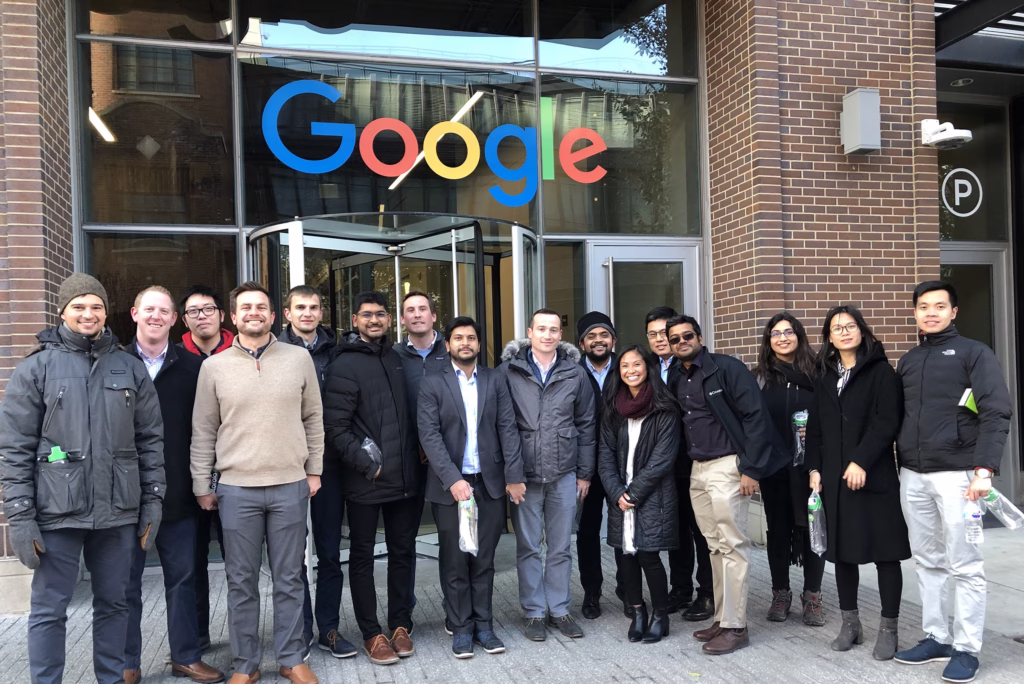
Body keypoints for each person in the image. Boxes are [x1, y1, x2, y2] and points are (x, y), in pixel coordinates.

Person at [0, 273, 164, 684]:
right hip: (57, 512)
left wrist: (153, 502)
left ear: (106, 312)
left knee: (114, 604)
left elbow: (150, 441)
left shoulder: (129, 367)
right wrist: (20, 517)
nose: (88, 313)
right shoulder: (36, 368)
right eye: (79, 306)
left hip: (118, 512)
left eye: (95, 306)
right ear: (63, 311)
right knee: (49, 609)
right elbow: (15, 448)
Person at [191, 281, 323, 684]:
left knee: (288, 578)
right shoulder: (213, 367)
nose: (253, 312)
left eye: (261, 306)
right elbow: (203, 430)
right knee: (241, 582)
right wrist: (202, 483)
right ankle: (245, 665)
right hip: (236, 489)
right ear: (233, 316)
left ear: (273, 314)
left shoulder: (299, 359)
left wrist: (314, 469)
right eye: (245, 307)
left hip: (289, 484)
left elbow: (314, 417)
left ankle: (290, 658)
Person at [893, 281, 1011, 683]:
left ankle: (966, 648)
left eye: (939, 306)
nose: (931, 312)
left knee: (965, 565)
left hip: (959, 475)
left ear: (953, 312)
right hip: (912, 473)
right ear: (915, 313)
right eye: (923, 306)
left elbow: (996, 412)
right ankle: (936, 636)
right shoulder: (908, 360)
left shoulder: (974, 353)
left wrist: (984, 469)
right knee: (927, 560)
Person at [666, 314, 785, 655]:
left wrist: (751, 469)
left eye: (687, 335)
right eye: (675, 339)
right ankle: (722, 617)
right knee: (714, 546)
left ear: (699, 337)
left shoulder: (726, 369)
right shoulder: (678, 376)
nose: (681, 342)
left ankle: (737, 626)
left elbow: (756, 417)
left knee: (732, 545)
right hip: (697, 470)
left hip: (728, 466)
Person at [123, 287, 224, 684]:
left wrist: (203, 483)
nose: (155, 316)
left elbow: (205, 432)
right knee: (125, 584)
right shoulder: (115, 364)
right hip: (126, 497)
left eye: (163, 311)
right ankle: (126, 663)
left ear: (173, 319)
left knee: (182, 579)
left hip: (178, 494)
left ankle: (186, 654)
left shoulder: (192, 368)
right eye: (149, 309)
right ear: (135, 313)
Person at [805, 305, 910, 662]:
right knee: (843, 555)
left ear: (862, 331)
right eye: (837, 328)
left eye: (850, 326)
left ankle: (889, 629)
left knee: (886, 554)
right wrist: (814, 469)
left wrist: (861, 460)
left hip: (874, 477)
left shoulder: (882, 372)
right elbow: (816, 429)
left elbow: (887, 422)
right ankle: (851, 624)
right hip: (834, 479)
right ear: (829, 338)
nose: (844, 332)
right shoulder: (824, 376)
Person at [417, 316, 527, 659]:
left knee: (483, 560)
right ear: (447, 344)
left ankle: (484, 625)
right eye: (458, 338)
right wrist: (453, 479)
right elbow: (430, 436)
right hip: (451, 488)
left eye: (471, 338)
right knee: (454, 561)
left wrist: (514, 476)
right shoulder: (432, 383)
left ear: (479, 345)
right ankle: (461, 628)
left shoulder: (495, 380)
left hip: (490, 485)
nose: (465, 343)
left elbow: (508, 428)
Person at [323, 291, 421, 666]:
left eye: (381, 314)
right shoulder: (344, 363)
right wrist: (369, 465)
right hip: (368, 480)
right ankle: (371, 633)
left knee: (402, 553)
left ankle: (400, 625)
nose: (375, 320)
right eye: (367, 315)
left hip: (405, 480)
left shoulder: (395, 358)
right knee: (362, 557)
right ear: (355, 319)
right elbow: (336, 427)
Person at [499, 308, 596, 641]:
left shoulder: (575, 373)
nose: (548, 335)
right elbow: (503, 427)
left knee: (560, 547)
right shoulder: (508, 372)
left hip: (564, 474)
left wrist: (584, 473)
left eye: (554, 329)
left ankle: (560, 609)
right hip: (524, 475)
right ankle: (533, 612)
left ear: (560, 335)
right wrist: (511, 475)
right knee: (527, 547)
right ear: (530, 332)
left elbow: (586, 424)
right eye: (541, 329)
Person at [279, 285, 358, 659]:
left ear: (321, 313)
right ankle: (300, 630)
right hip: (286, 464)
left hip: (330, 466)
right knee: (292, 556)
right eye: (300, 307)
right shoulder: (275, 351)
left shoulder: (339, 352)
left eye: (313, 307)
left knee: (328, 552)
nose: (307, 313)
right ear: (288, 313)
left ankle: (328, 628)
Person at [597, 346, 681, 644]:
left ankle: (660, 614)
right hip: (620, 496)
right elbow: (604, 456)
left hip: (651, 495)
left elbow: (663, 459)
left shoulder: (664, 409)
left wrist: (633, 493)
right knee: (625, 557)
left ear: (648, 367)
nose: (630, 370)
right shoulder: (613, 408)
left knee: (649, 555)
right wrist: (617, 492)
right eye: (624, 366)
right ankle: (637, 612)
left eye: (636, 364)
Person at [752, 313, 827, 627]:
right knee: (778, 531)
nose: (782, 338)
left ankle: (812, 595)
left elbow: (834, 416)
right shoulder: (759, 377)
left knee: (813, 529)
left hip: (812, 467)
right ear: (768, 341)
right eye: (775, 334)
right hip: (775, 466)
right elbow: (751, 422)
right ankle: (780, 592)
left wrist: (818, 432)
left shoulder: (819, 373)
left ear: (799, 335)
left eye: (788, 332)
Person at [646, 306, 713, 621]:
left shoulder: (691, 366)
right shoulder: (645, 366)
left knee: (701, 530)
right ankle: (681, 588)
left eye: (665, 334)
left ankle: (708, 593)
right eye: (654, 334)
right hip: (664, 464)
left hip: (694, 459)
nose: (660, 339)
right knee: (676, 530)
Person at [178, 284, 234, 650]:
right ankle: (197, 637)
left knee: (239, 564)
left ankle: (243, 635)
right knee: (193, 564)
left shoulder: (240, 351)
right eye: (194, 311)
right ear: (184, 320)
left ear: (221, 315)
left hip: (234, 475)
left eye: (208, 309)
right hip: (190, 477)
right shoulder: (174, 358)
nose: (202, 316)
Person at [393, 290, 449, 619]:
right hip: (408, 460)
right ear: (402, 319)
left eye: (422, 309)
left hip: (448, 458)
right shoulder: (392, 355)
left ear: (433, 316)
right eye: (410, 310)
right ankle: (404, 616)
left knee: (453, 540)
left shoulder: (453, 350)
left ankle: (454, 610)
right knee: (404, 541)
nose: (416, 314)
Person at [575, 311, 625, 620]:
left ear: (613, 340)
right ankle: (591, 592)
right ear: (581, 344)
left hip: (621, 464)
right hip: (585, 466)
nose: (598, 340)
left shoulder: (630, 367)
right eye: (591, 336)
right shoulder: (571, 371)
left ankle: (627, 588)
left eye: (603, 335)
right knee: (587, 531)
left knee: (623, 530)